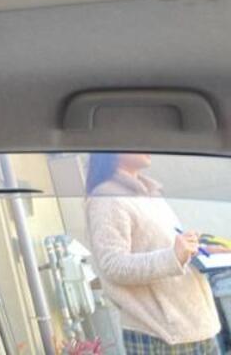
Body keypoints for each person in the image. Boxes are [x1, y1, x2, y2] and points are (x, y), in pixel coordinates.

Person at [85, 152, 223, 355]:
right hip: (162, 335)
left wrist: (205, 251)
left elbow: (166, 249)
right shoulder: (107, 198)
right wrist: (174, 257)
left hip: (197, 327)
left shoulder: (150, 194)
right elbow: (112, 265)